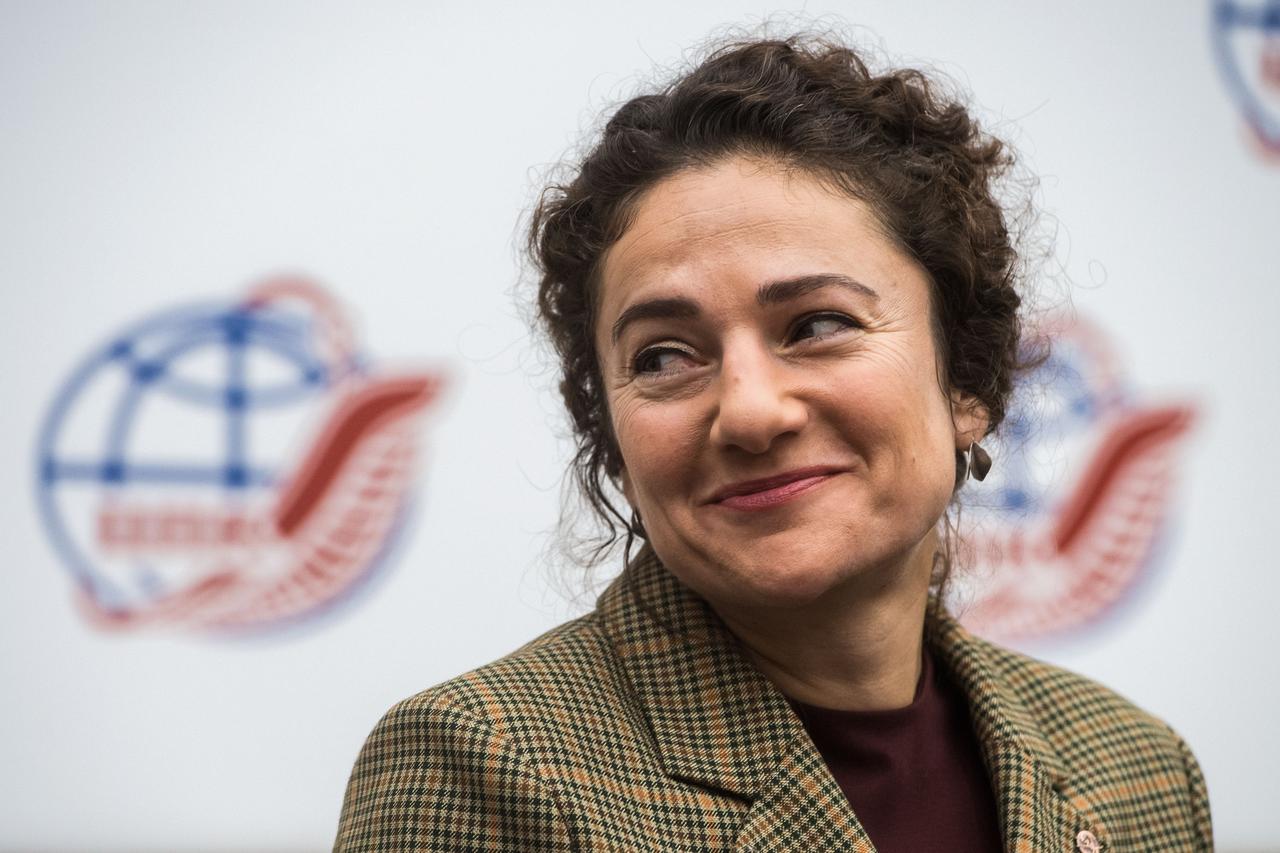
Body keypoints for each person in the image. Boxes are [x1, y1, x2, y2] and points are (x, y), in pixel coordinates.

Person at [335, 33, 1213, 852]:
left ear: (967, 385)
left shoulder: (1135, 768)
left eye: (818, 323)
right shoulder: (482, 763)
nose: (750, 413)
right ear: (613, 440)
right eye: (665, 356)